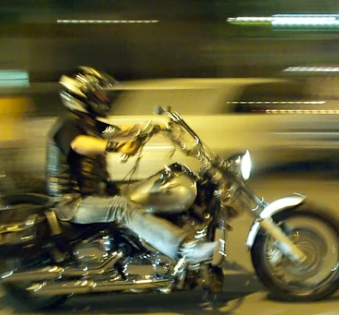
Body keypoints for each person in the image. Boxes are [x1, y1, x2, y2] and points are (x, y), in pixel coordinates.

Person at [45, 66, 218, 264]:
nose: (104, 97)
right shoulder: (68, 124)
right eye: (98, 93)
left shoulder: (90, 123)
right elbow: (79, 145)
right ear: (83, 95)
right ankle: (184, 248)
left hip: (97, 192)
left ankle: (149, 247)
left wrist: (154, 127)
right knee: (122, 207)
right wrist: (115, 147)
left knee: (145, 191)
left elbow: (121, 130)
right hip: (72, 203)